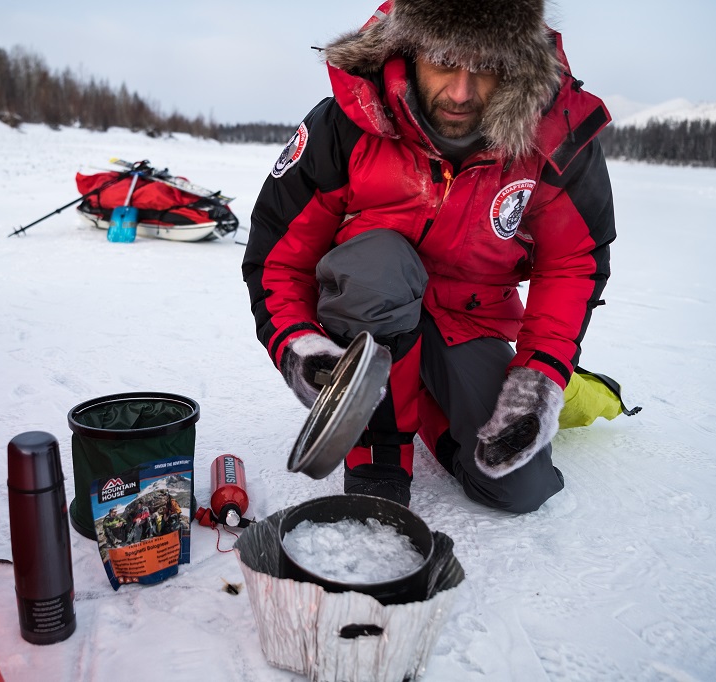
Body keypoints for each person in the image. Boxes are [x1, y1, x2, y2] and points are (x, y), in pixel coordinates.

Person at [243, 0, 618, 513]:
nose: (461, 93)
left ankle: (432, 407)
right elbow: (278, 258)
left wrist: (540, 376)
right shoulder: (348, 122)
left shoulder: (552, 132)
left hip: (468, 317)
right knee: (379, 266)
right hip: (369, 314)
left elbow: (573, 262)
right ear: (409, 49)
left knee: (515, 486)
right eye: (443, 60)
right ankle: (379, 445)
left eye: (486, 67)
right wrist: (297, 344)